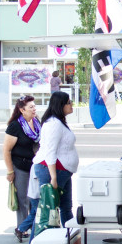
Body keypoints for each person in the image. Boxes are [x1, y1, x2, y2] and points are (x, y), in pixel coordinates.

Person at [32, 91, 78, 226]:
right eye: (69, 102)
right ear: (61, 105)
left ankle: (71, 242)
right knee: (47, 210)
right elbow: (50, 152)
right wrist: (53, 178)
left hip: (63, 171)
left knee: (66, 207)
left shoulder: (58, 122)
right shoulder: (54, 124)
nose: (71, 105)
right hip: (53, 171)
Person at [3, 95, 40, 242]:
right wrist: (10, 171)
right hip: (20, 166)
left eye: (34, 106)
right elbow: (6, 150)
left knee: (33, 199)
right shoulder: (15, 126)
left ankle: (28, 226)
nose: (34, 109)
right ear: (21, 110)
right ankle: (21, 228)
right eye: (30, 107)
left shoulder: (36, 122)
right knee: (23, 199)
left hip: (34, 167)